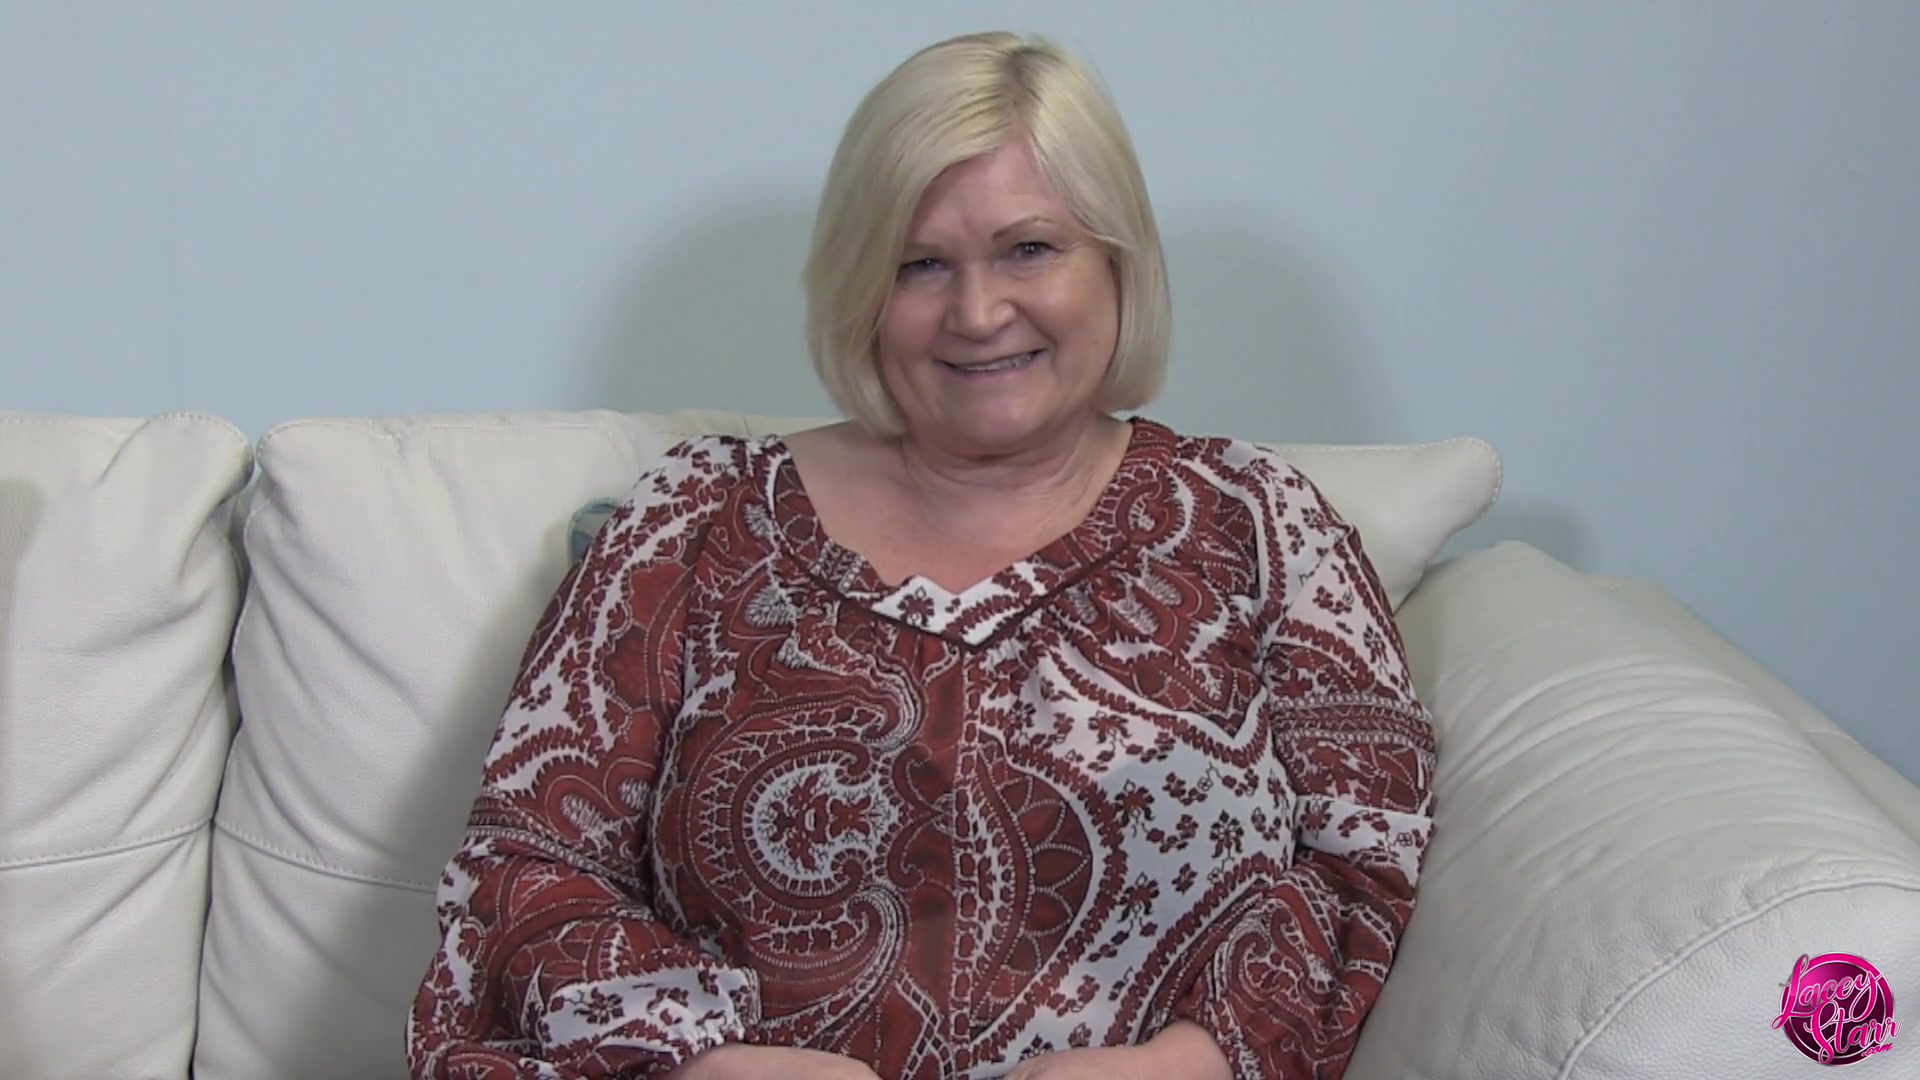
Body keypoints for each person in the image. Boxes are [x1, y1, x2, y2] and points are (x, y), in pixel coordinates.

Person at [408, 29, 1435, 1080]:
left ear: (1117, 261)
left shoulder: (1257, 524)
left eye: (1030, 249)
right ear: (863, 291)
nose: (978, 313)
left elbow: (1367, 865)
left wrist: (1192, 1062)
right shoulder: (694, 519)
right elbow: (520, 875)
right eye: (921, 265)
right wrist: (703, 1063)